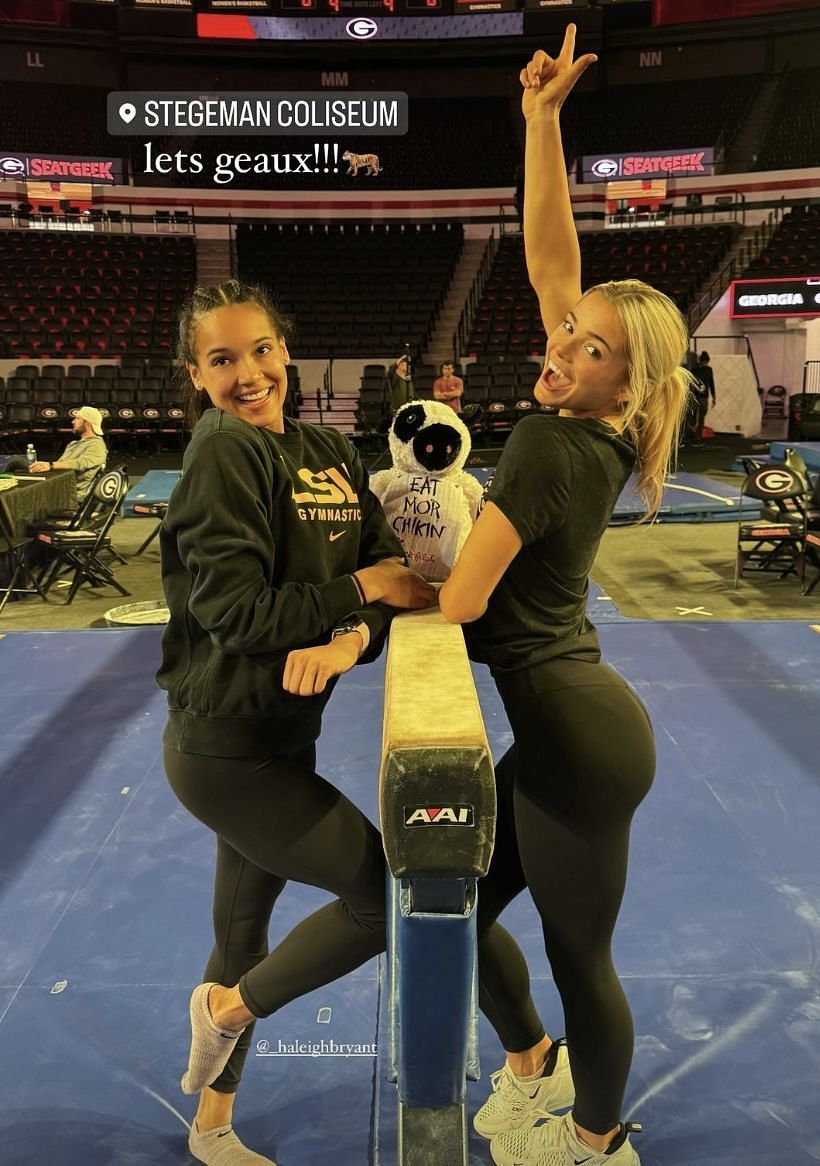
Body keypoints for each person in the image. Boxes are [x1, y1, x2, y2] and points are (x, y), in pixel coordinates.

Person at [439, 27, 692, 1166]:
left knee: (580, 952)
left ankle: (596, 1141)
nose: (559, 348)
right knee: (452, 900)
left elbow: (455, 603)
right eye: (566, 335)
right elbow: (551, 263)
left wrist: (378, 588)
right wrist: (541, 124)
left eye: (586, 349)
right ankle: (531, 1064)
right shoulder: (593, 414)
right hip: (558, 721)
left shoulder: (549, 441)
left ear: (621, 383)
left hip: (577, 737)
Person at [157, 279, 436, 1166]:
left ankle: (211, 1126)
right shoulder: (221, 451)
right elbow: (239, 614)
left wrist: (355, 631)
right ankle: (225, 1011)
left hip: (284, 735)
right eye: (223, 360)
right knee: (382, 898)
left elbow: (389, 571)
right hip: (226, 750)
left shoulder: (327, 448)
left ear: (288, 350)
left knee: (241, 934)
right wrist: (361, 593)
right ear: (194, 376)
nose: (249, 374)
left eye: (262, 350)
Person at [29, 405, 107, 501]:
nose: (73, 421)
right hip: (57, 486)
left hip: (70, 494)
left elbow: (80, 464)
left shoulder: (96, 445)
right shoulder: (73, 444)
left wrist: (50, 465)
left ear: (87, 423)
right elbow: (60, 465)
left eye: (78, 419)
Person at [690, 350, 716, 442]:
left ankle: (695, 436)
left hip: (696, 397)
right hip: (703, 397)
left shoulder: (694, 370)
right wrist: (714, 397)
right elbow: (711, 384)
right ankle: (698, 436)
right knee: (700, 418)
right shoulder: (708, 370)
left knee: (695, 418)